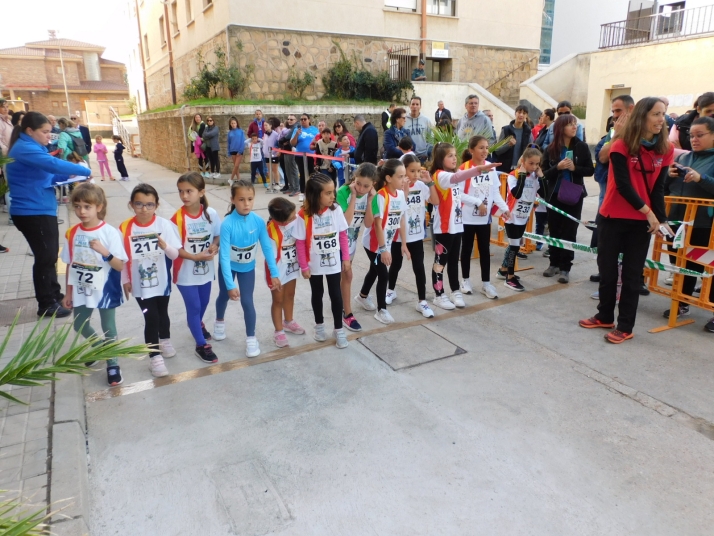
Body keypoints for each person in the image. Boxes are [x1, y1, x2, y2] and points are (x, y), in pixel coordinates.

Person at [579, 97, 674, 344]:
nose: (661, 119)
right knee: (607, 271)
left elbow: (658, 188)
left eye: (662, 114)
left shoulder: (666, 149)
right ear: (642, 116)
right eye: (655, 114)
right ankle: (604, 316)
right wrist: (649, 213)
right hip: (612, 216)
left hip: (640, 223)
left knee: (632, 276)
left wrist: (661, 219)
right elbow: (622, 185)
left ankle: (625, 326)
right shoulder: (621, 144)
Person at [7, 112, 92, 316]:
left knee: (49, 256)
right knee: (45, 258)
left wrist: (70, 174)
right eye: (45, 132)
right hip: (32, 212)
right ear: (30, 131)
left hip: (39, 208)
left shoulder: (32, 147)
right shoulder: (25, 148)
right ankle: (46, 304)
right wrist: (83, 169)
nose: (49, 136)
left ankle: (54, 295)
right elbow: (52, 164)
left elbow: (48, 175)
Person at [60, 183, 128, 386]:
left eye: (87, 206)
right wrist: (68, 293)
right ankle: (100, 348)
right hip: (81, 288)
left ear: (99, 207)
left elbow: (119, 265)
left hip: (105, 289)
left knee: (109, 327)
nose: (81, 211)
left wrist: (104, 252)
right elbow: (70, 264)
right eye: (78, 206)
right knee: (79, 324)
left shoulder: (109, 233)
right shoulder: (71, 233)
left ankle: (113, 363)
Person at [119, 183, 182, 378]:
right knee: (151, 317)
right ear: (131, 204)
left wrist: (165, 246)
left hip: (162, 282)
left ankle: (165, 340)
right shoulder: (125, 227)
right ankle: (154, 357)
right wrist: (125, 280)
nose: (144, 209)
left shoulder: (164, 225)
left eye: (149, 204)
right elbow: (122, 258)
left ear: (157, 205)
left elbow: (174, 255)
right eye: (139, 204)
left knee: (163, 313)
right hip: (140, 286)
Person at [430, 142, 500, 310]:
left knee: (454, 261)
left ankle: (455, 291)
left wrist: (476, 201)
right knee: (440, 263)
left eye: (455, 155)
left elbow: (459, 194)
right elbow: (458, 178)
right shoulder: (441, 175)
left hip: (457, 226)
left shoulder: (452, 174)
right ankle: (438, 295)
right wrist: (480, 169)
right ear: (441, 159)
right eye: (450, 156)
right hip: (444, 228)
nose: (454, 158)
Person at [217, 180, 280, 357]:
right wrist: (230, 285)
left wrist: (274, 273)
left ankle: (251, 338)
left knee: (247, 301)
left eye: (250, 199)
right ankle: (219, 321)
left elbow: (267, 248)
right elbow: (223, 256)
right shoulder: (227, 223)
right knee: (223, 295)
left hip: (247, 269)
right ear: (233, 200)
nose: (246, 204)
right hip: (228, 267)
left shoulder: (258, 222)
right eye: (241, 199)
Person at [663, 116, 714, 326]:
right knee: (681, 263)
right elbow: (665, 188)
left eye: (700, 135)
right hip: (677, 221)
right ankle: (683, 301)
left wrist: (701, 178)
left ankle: (711, 307)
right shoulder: (683, 158)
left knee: (707, 266)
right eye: (691, 135)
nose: (694, 139)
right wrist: (668, 174)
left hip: (704, 224)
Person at [294, 173, 351, 348]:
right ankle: (319, 325)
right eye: (328, 193)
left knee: (336, 294)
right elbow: (300, 243)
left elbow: (342, 235)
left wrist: (346, 258)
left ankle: (339, 329)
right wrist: (304, 266)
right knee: (317, 294)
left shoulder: (336, 210)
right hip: (314, 265)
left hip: (334, 262)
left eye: (333, 192)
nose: (333, 196)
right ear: (315, 194)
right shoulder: (303, 215)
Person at [171, 172, 221, 362]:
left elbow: (217, 235)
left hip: (206, 270)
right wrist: (194, 256)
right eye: (181, 191)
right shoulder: (176, 219)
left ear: (201, 192)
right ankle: (201, 345)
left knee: (204, 303)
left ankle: (197, 324)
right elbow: (175, 248)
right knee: (194, 307)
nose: (184, 196)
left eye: (189, 191)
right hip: (185, 273)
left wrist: (214, 246)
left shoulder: (211, 214)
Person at [540, 114, 594, 283]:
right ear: (561, 127)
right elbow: (544, 174)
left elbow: (589, 171)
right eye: (570, 124)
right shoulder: (550, 148)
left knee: (570, 231)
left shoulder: (582, 147)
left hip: (574, 194)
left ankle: (565, 268)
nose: (574, 127)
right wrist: (558, 167)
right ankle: (553, 264)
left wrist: (574, 168)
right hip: (554, 195)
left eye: (575, 124)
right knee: (555, 230)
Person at [590, 95, 636, 287]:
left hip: (632, 199)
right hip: (608, 193)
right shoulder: (612, 133)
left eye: (618, 111)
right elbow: (602, 156)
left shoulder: (641, 134)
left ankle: (633, 279)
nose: (615, 116)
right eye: (613, 111)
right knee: (607, 241)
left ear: (631, 109)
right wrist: (616, 136)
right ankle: (607, 275)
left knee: (630, 245)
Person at [355, 159, 409, 324]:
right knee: (383, 273)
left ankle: (362, 296)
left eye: (404, 176)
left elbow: (401, 220)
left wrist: (404, 244)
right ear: (388, 178)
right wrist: (383, 249)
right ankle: (381, 310)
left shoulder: (400, 194)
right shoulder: (380, 196)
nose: (404, 180)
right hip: (374, 244)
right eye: (400, 177)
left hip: (387, 242)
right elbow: (377, 225)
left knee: (374, 270)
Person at [459, 136, 510, 299]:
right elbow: (458, 194)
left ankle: (486, 283)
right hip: (467, 218)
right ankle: (465, 280)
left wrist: (504, 208)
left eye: (487, 147)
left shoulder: (491, 168)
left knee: (484, 251)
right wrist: (477, 202)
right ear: (471, 150)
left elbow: (495, 191)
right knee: (466, 249)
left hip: (483, 218)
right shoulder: (464, 169)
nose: (485, 151)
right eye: (481, 147)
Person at [387, 154, 438, 317]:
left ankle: (422, 301)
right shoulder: (396, 188)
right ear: (403, 170)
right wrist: (406, 190)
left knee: (419, 267)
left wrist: (429, 182)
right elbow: (399, 207)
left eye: (418, 170)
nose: (416, 175)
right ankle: (390, 290)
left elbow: (435, 201)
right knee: (395, 265)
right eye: (412, 171)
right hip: (398, 235)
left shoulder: (422, 187)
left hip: (416, 235)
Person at [337, 163, 378, 332]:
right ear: (354, 179)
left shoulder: (372, 196)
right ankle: (347, 313)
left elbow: (368, 224)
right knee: (347, 275)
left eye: (366, 186)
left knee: (344, 276)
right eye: (358, 183)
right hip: (338, 241)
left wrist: (369, 201)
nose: (361, 188)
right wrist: (354, 197)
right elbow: (345, 221)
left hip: (351, 243)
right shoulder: (343, 192)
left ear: (373, 184)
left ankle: (341, 305)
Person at [498, 149, 544, 291]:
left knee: (516, 245)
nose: (534, 167)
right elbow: (516, 193)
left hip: (524, 216)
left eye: (537, 164)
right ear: (523, 162)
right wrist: (523, 175)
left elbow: (544, 194)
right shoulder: (514, 175)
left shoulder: (535, 177)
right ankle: (509, 277)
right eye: (531, 163)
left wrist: (541, 177)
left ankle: (503, 270)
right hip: (512, 216)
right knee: (514, 246)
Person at [264, 196, 304, 347]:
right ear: (281, 221)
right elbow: (270, 258)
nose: (296, 216)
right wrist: (274, 277)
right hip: (276, 270)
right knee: (278, 300)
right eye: (292, 216)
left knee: (290, 294)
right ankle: (278, 331)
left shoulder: (294, 221)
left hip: (291, 266)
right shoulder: (270, 232)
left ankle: (289, 321)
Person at [495, 105, 534, 172]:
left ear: (526, 116)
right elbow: (497, 151)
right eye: (519, 112)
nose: (521, 115)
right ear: (515, 113)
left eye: (524, 113)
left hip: (521, 169)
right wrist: (508, 145)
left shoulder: (528, 132)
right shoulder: (506, 130)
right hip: (505, 168)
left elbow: (532, 149)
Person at [291, 113, 318, 193]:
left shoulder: (314, 129)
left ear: (309, 120)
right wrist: (296, 135)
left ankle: (312, 192)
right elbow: (292, 143)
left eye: (305, 119)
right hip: (300, 156)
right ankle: (303, 192)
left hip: (312, 156)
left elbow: (318, 140)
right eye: (301, 119)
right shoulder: (297, 130)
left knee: (312, 174)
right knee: (302, 174)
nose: (303, 121)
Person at [404, 96, 433, 164]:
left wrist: (427, 151)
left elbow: (431, 138)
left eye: (417, 104)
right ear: (409, 105)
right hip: (408, 155)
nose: (415, 106)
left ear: (420, 106)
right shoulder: (404, 119)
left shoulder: (426, 120)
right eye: (413, 104)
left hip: (422, 156)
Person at [279, 115, 301, 196]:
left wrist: (284, 140)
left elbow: (287, 137)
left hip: (292, 151)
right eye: (288, 119)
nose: (289, 120)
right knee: (288, 170)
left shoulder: (296, 127)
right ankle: (291, 187)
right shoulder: (291, 128)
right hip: (286, 150)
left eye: (291, 119)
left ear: (296, 120)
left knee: (293, 170)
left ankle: (296, 188)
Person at [263, 117, 281, 192]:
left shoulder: (275, 134)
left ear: (270, 125)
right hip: (266, 154)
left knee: (275, 169)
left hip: (273, 154)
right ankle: (271, 183)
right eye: (264, 125)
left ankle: (277, 183)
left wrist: (277, 152)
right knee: (269, 169)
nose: (265, 127)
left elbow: (277, 144)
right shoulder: (265, 134)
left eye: (266, 125)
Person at [226, 116, 245, 184]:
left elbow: (243, 142)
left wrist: (240, 151)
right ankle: (239, 179)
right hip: (232, 151)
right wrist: (228, 152)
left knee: (236, 165)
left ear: (237, 123)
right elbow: (228, 143)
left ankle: (230, 179)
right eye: (232, 123)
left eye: (234, 123)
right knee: (235, 166)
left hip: (239, 151)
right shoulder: (229, 133)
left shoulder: (241, 131)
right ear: (230, 124)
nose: (233, 124)